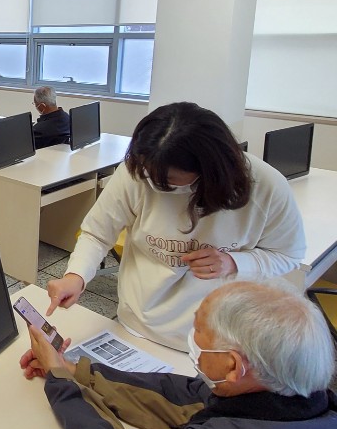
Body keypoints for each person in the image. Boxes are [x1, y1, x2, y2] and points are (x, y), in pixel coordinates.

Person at [46, 101, 305, 351]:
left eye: (167, 179)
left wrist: (233, 263)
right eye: (147, 171)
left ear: (208, 170)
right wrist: (76, 276)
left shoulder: (266, 186)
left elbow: (288, 255)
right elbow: (97, 233)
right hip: (140, 322)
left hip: (216, 335)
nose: (151, 181)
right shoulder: (137, 171)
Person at [21, 281, 337, 429]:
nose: (192, 336)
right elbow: (187, 394)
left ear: (232, 366)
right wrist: (75, 371)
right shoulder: (292, 399)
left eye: (198, 329)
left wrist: (60, 380)